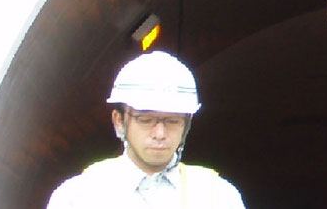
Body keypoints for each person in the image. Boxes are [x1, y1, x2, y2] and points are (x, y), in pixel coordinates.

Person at [47, 51, 245, 208]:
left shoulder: (218, 196)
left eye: (172, 121)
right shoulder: (79, 197)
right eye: (145, 120)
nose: (160, 133)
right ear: (119, 121)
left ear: (187, 123)